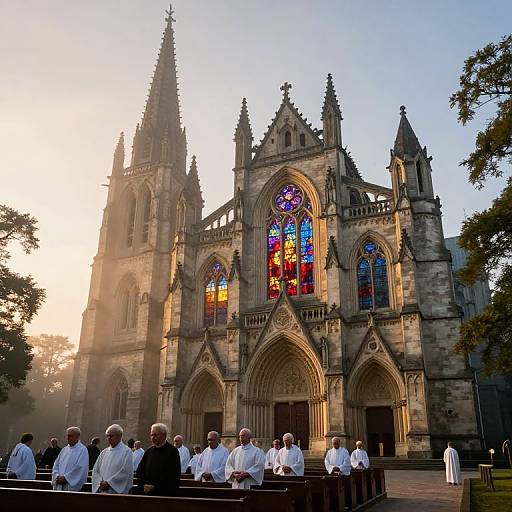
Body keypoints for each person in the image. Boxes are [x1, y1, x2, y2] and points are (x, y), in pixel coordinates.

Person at [136, 423, 181, 496]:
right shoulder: (149, 451)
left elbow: (174, 475)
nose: (153, 437)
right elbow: (140, 471)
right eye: (151, 435)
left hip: (163, 494)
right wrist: (144, 485)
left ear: (164, 435)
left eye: (155, 435)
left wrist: (155, 486)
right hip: (147, 493)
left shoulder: (173, 452)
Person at [92, 424, 133, 494]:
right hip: (102, 490)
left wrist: (110, 483)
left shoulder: (127, 451)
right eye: (107, 436)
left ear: (120, 436)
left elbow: (126, 471)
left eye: (111, 436)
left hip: (115, 492)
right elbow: (96, 470)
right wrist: (100, 483)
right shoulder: (104, 452)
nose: (108, 438)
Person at [52, 426, 89, 491]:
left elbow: (81, 468)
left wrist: (66, 478)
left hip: (70, 486)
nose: (67, 438)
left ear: (77, 436)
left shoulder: (82, 450)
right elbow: (56, 465)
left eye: (70, 436)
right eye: (67, 436)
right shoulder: (64, 449)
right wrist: (57, 476)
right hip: (59, 485)